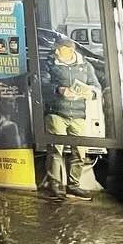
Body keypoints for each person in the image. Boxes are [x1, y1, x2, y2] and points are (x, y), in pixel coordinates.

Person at [40, 36, 100, 202]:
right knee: (55, 149)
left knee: (80, 150)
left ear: (71, 51)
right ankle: (55, 184)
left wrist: (91, 93)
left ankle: (73, 184)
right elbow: (42, 84)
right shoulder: (49, 64)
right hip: (56, 112)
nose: (57, 52)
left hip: (78, 113)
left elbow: (96, 86)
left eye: (61, 49)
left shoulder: (85, 66)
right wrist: (59, 90)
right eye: (57, 49)